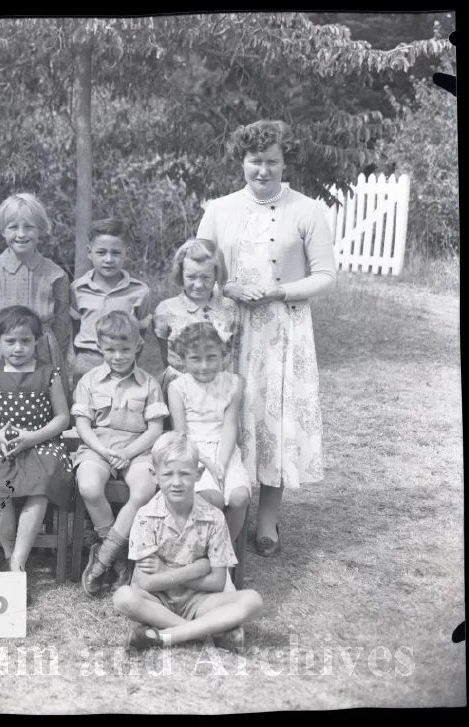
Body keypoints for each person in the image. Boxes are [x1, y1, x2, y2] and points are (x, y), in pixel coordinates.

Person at [197, 119, 335, 556]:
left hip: (283, 328)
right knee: (226, 413)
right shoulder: (219, 209)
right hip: (229, 327)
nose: (262, 170)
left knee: (274, 417)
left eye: (271, 161)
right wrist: (227, 287)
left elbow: (326, 275)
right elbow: (198, 267)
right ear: (242, 161)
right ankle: (221, 505)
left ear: (283, 161)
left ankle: (268, 522)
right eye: (255, 161)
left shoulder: (307, 210)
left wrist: (279, 291)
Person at [113, 432, 263, 652]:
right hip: (157, 601)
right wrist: (196, 569)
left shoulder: (213, 517)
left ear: (199, 473)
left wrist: (165, 570)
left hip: (200, 601)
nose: (176, 483)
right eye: (168, 475)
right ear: (154, 475)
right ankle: (210, 631)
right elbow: (146, 583)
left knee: (253, 600)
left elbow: (217, 582)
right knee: (123, 598)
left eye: (185, 474)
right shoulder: (146, 517)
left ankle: (165, 636)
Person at [0, 306, 74, 575]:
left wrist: (33, 437)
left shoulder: (49, 372)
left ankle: (18, 560)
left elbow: (62, 417)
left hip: (40, 439)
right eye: (10, 341)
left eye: (25, 341)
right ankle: (7, 552)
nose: (18, 348)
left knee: (41, 486)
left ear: (37, 341)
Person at [73, 311, 169, 596]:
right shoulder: (88, 381)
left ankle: (103, 559)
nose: (118, 356)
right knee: (89, 486)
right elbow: (82, 425)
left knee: (143, 490)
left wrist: (128, 452)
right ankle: (118, 561)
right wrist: (102, 449)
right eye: (111, 349)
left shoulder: (149, 384)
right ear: (100, 347)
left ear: (138, 346)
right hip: (97, 446)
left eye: (125, 349)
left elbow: (154, 430)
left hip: (137, 449)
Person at [0, 193, 72, 396]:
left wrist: (56, 356)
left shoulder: (56, 275)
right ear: (3, 231)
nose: (21, 234)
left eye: (29, 227)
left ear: (40, 230)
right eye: (13, 227)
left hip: (43, 350)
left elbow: (63, 325)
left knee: (43, 406)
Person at [167, 322, 250, 543]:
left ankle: (223, 552)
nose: (204, 366)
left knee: (239, 498)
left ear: (223, 355)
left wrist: (221, 463)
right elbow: (181, 434)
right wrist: (208, 463)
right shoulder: (178, 387)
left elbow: (230, 425)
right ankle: (204, 550)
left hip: (225, 449)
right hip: (194, 453)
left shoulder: (233, 383)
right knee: (212, 498)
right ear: (183, 358)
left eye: (212, 357)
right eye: (195, 358)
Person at [69, 218, 152, 387]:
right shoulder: (78, 289)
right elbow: (74, 327)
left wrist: (129, 357)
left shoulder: (139, 291)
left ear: (126, 253)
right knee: (83, 409)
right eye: (101, 252)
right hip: (87, 361)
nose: (108, 259)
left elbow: (140, 333)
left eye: (115, 253)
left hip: (122, 361)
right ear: (89, 252)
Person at [152, 238, 239, 392]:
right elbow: (165, 355)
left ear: (217, 274)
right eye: (191, 277)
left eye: (206, 277)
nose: (198, 285)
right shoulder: (166, 309)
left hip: (218, 388)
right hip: (178, 389)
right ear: (181, 273)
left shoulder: (229, 308)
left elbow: (231, 351)